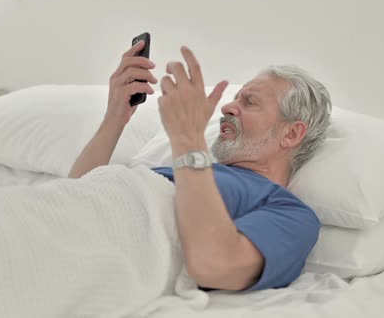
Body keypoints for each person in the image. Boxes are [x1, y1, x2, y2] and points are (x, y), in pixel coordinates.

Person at [68, 40, 332, 292]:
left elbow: (215, 266)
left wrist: (188, 139)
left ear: (291, 134)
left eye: (249, 102)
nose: (227, 107)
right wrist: (115, 116)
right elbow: (75, 197)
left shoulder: (290, 213)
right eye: (235, 98)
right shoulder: (189, 171)